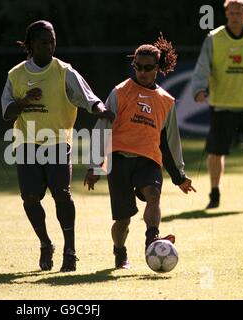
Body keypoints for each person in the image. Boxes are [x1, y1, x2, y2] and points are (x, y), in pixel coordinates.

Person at [1, 20, 113, 272]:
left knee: (61, 194)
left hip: (58, 142)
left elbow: (87, 97)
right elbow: (7, 113)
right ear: (30, 45)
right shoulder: (16, 75)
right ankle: (45, 243)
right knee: (30, 198)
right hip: (27, 143)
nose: (50, 45)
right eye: (44, 42)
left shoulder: (64, 71)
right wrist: (24, 101)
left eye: (52, 41)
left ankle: (70, 251)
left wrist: (100, 109)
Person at [84, 34, 196, 269]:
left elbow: (169, 141)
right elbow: (103, 128)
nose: (142, 72)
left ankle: (152, 239)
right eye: (138, 67)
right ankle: (120, 251)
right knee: (123, 220)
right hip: (119, 160)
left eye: (147, 68)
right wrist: (96, 166)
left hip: (148, 160)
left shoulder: (166, 101)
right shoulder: (120, 92)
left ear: (158, 68)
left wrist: (179, 177)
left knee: (153, 195)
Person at [192, 0, 243, 209]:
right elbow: (202, 67)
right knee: (216, 152)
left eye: (239, 12)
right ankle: (215, 192)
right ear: (226, 13)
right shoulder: (214, 38)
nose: (235, 16)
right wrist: (199, 89)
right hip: (222, 105)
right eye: (231, 12)